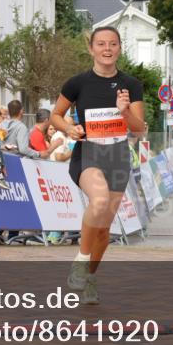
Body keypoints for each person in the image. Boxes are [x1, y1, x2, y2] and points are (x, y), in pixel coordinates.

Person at [51, 26, 144, 305]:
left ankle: (90, 275)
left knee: (104, 230)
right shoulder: (77, 83)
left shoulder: (131, 84)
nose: (107, 49)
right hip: (88, 152)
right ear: (91, 48)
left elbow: (139, 130)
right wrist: (69, 128)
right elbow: (56, 115)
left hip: (117, 157)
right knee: (99, 199)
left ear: (119, 49)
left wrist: (125, 110)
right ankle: (80, 261)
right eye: (101, 44)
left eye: (112, 44)